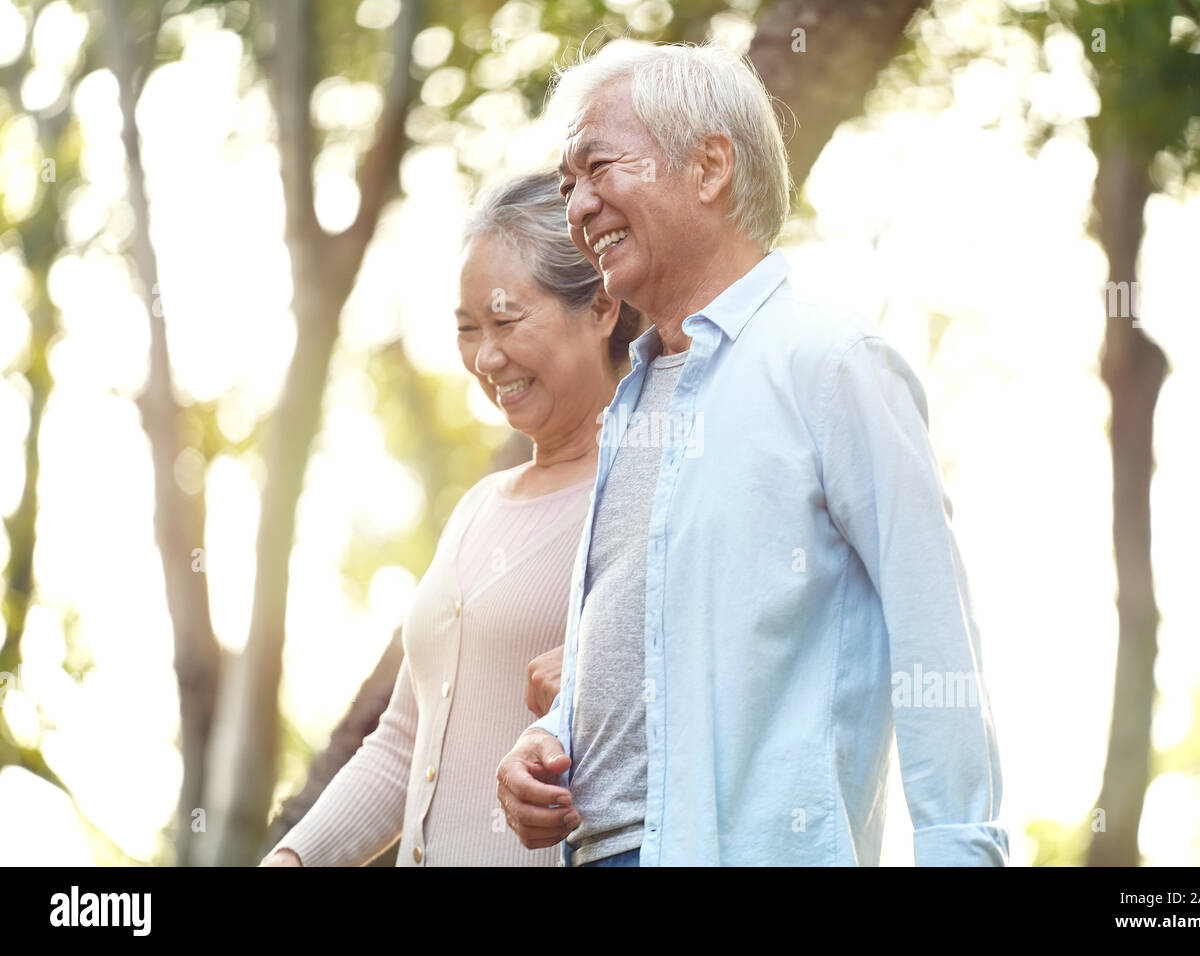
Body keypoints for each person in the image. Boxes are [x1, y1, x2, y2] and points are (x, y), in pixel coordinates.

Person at [495, 40, 1010, 867]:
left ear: (708, 168)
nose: (578, 208)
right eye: (566, 187)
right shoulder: (631, 402)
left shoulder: (830, 362)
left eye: (598, 169)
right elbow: (653, 642)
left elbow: (934, 635)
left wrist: (960, 853)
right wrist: (551, 736)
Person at [259, 170, 640, 866]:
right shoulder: (477, 510)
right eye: (468, 330)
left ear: (602, 307)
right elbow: (404, 741)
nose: (486, 358)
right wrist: (293, 859)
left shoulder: (639, 502)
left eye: (506, 322)